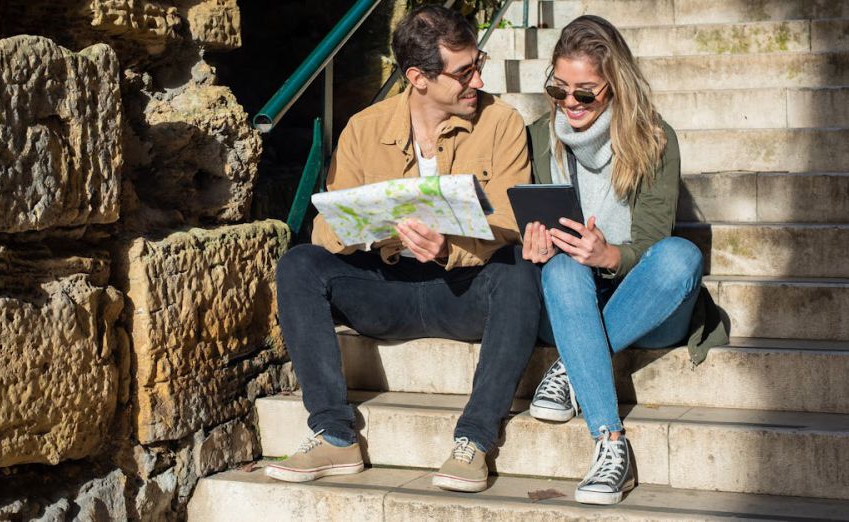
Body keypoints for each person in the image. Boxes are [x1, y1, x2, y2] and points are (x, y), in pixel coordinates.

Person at [267, 5, 541, 493]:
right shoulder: (364, 128)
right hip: (387, 287)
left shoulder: (502, 122)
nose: (477, 79)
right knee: (299, 265)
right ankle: (333, 434)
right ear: (418, 77)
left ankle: (474, 441)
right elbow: (326, 230)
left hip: (463, 291)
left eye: (477, 63)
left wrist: (448, 247)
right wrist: (378, 226)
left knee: (519, 270)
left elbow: (512, 222)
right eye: (463, 72)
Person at [520, 15, 727, 505]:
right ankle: (611, 444)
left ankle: (573, 365)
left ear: (615, 86)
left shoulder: (653, 139)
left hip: (644, 303)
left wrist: (609, 254)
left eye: (585, 93)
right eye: (558, 89)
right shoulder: (536, 139)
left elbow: (656, 241)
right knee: (565, 266)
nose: (569, 103)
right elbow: (516, 226)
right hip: (569, 301)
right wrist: (530, 245)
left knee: (681, 257)